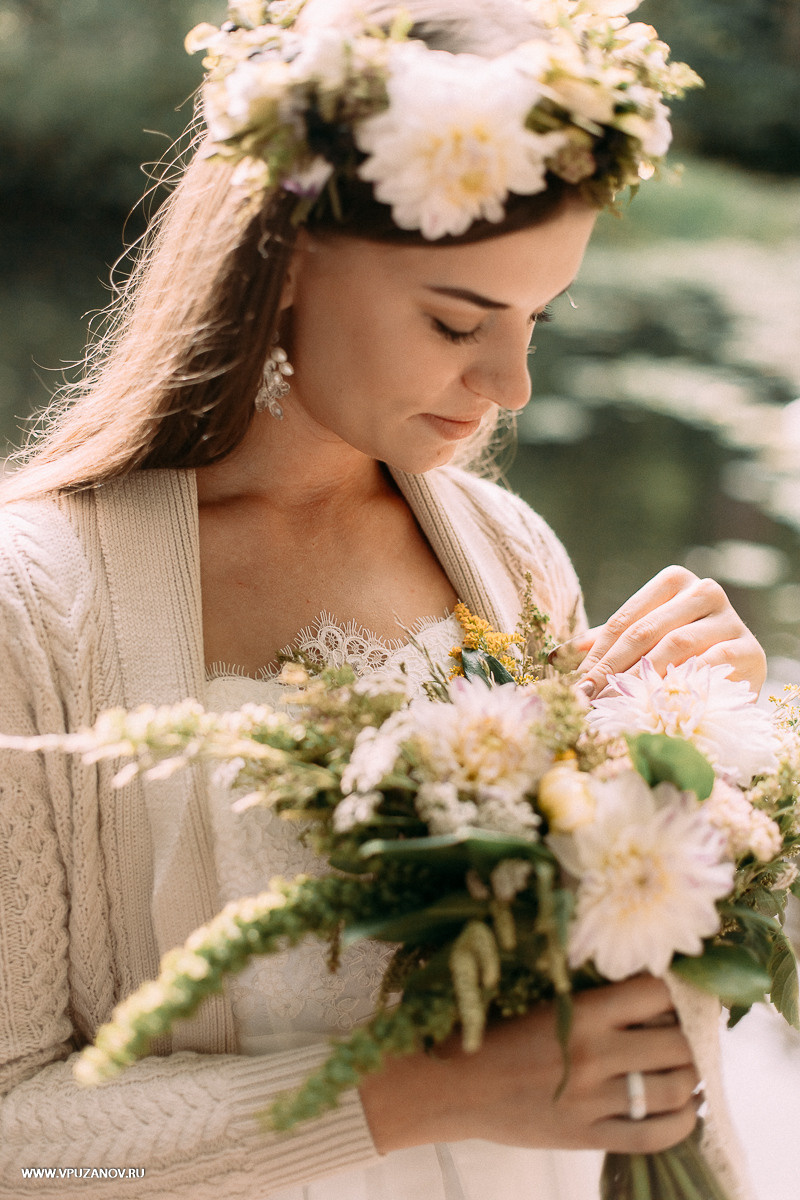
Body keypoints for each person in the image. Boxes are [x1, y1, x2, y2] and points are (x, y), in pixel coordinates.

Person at [0, 2, 768, 1198]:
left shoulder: (504, 558)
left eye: (534, 320)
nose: (508, 384)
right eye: (456, 319)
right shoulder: (33, 612)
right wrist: (415, 1091)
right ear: (288, 256)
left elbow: (620, 1042)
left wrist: (686, 783)